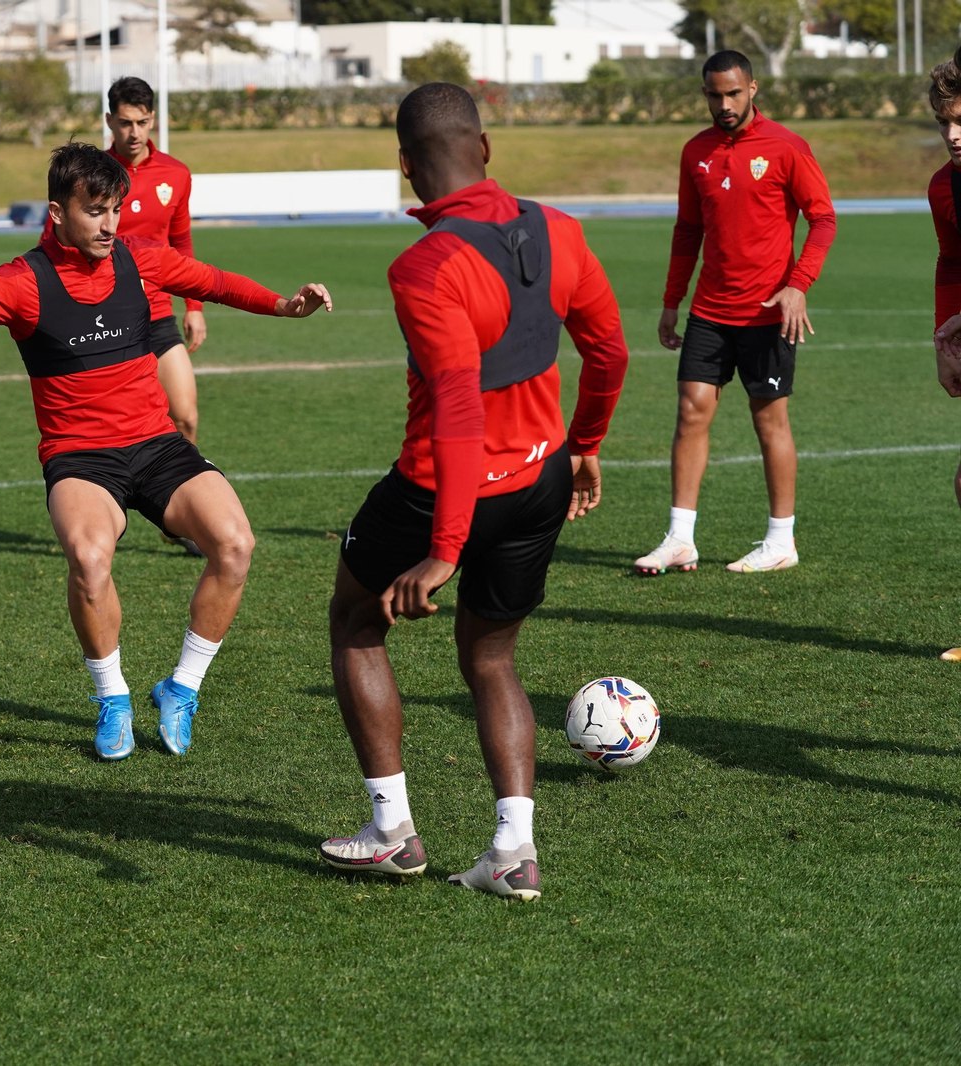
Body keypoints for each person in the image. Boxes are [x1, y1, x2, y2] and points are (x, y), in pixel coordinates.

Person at [0, 142, 331, 762]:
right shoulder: (17, 284)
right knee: (91, 560)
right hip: (80, 455)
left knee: (235, 545)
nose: (110, 224)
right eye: (95, 210)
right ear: (57, 212)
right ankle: (113, 698)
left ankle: (181, 688)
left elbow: (214, 282)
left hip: (156, 443)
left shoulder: (140, 259)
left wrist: (283, 303)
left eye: (116, 208)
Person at [319, 83, 628, 898]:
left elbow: (456, 411)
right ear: (484, 148)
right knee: (492, 658)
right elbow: (611, 354)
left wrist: (444, 550)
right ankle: (513, 854)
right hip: (542, 479)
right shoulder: (561, 229)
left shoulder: (424, 267)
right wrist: (584, 447)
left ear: (406, 168)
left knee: (354, 621)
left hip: (440, 491)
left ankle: (391, 832)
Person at [634, 50, 836, 576]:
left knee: (769, 420)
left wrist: (798, 285)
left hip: (769, 312)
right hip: (709, 308)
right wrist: (671, 301)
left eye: (732, 93)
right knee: (690, 411)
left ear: (753, 89)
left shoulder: (787, 147)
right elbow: (687, 230)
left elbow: (823, 219)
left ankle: (781, 540)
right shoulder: (695, 151)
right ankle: (680, 539)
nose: (723, 105)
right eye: (713, 95)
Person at [98, 77, 208, 556]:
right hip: (106, 320)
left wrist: (196, 306)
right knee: (104, 427)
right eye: (125, 122)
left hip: (158, 314)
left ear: (154, 120)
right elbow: (54, 239)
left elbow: (181, 243)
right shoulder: (93, 173)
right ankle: (101, 513)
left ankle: (174, 518)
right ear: (109, 122)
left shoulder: (176, 174)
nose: (134, 132)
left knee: (185, 415)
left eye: (143, 122)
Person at [925, 47, 961, 661]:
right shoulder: (944, 185)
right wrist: (944, 342)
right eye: (944, 123)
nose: (953, 136)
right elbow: (951, 262)